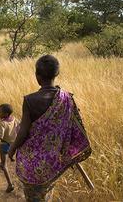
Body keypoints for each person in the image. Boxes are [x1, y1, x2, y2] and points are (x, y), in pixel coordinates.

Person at [8, 55, 91, 202]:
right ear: (56, 74)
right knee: (46, 195)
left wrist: (12, 149)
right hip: (53, 162)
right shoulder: (67, 98)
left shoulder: (30, 100)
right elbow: (73, 128)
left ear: (37, 76)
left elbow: (23, 133)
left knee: (34, 197)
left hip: (31, 166)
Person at [0, 103, 20, 193]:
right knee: (10, 157)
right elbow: (19, 129)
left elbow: (1, 136)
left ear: (6, 114)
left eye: (0, 112)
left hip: (4, 145)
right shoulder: (15, 119)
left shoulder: (3, 123)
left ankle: (10, 184)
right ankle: (11, 158)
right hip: (14, 144)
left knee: (4, 165)